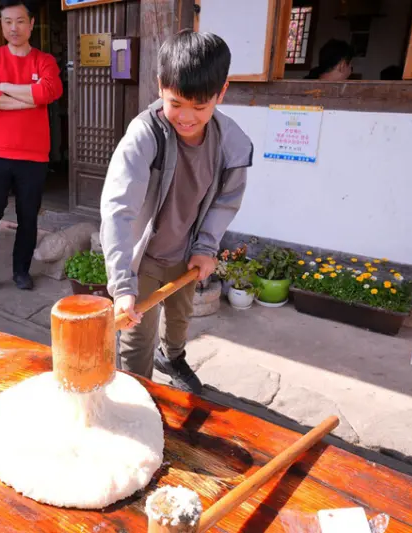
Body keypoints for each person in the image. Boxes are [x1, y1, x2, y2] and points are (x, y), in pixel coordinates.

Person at [99, 30, 253, 394]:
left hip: (186, 252)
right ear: (160, 86)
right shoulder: (144, 135)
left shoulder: (230, 142)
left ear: (222, 92)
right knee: (137, 340)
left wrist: (206, 246)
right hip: (144, 258)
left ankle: (173, 357)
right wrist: (122, 286)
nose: (186, 117)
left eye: (200, 107)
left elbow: (225, 201)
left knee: (180, 319)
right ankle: (138, 398)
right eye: (176, 103)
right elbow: (118, 210)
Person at [0, 0, 63, 299]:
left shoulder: (44, 61)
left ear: (31, 24)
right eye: (7, 21)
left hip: (32, 155)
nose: (14, 28)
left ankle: (21, 271)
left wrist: (4, 87)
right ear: (1, 24)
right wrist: (29, 97)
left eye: (20, 21)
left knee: (28, 216)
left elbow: (50, 91)